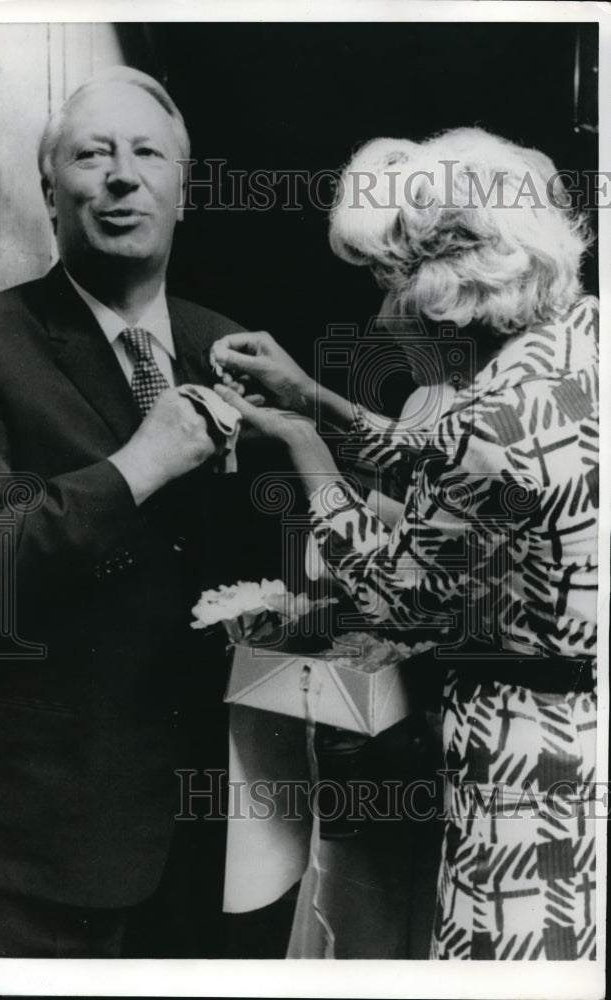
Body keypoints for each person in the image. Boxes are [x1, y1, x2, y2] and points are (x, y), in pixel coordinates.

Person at [212, 128, 599, 960]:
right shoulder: (576, 341)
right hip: (586, 721)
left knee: (516, 962)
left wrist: (304, 448)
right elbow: (476, 477)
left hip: (527, 757)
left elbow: (395, 592)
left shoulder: (487, 426)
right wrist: (319, 399)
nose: (383, 310)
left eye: (389, 280)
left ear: (447, 284)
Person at [0, 65, 264, 958]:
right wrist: (138, 465)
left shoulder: (225, 342)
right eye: (92, 155)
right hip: (47, 836)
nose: (122, 175)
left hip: (214, 827)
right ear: (50, 191)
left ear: (183, 191)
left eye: (147, 153)